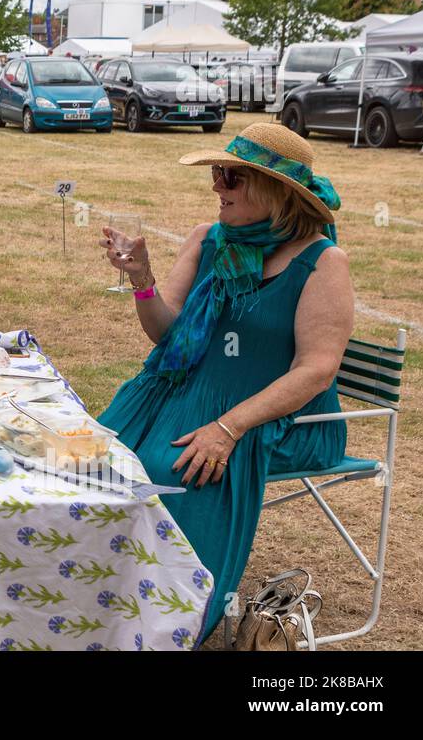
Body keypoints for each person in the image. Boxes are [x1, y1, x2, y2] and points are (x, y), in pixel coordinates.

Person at [97, 123, 352, 644]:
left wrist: (229, 427)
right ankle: (95, 594)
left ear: (276, 190)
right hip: (183, 390)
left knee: (171, 469)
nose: (217, 185)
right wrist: (143, 280)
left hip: (274, 417)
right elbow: (165, 337)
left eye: (231, 176)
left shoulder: (322, 262)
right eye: (217, 172)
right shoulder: (207, 238)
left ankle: (162, 621)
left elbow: (316, 370)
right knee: (98, 460)